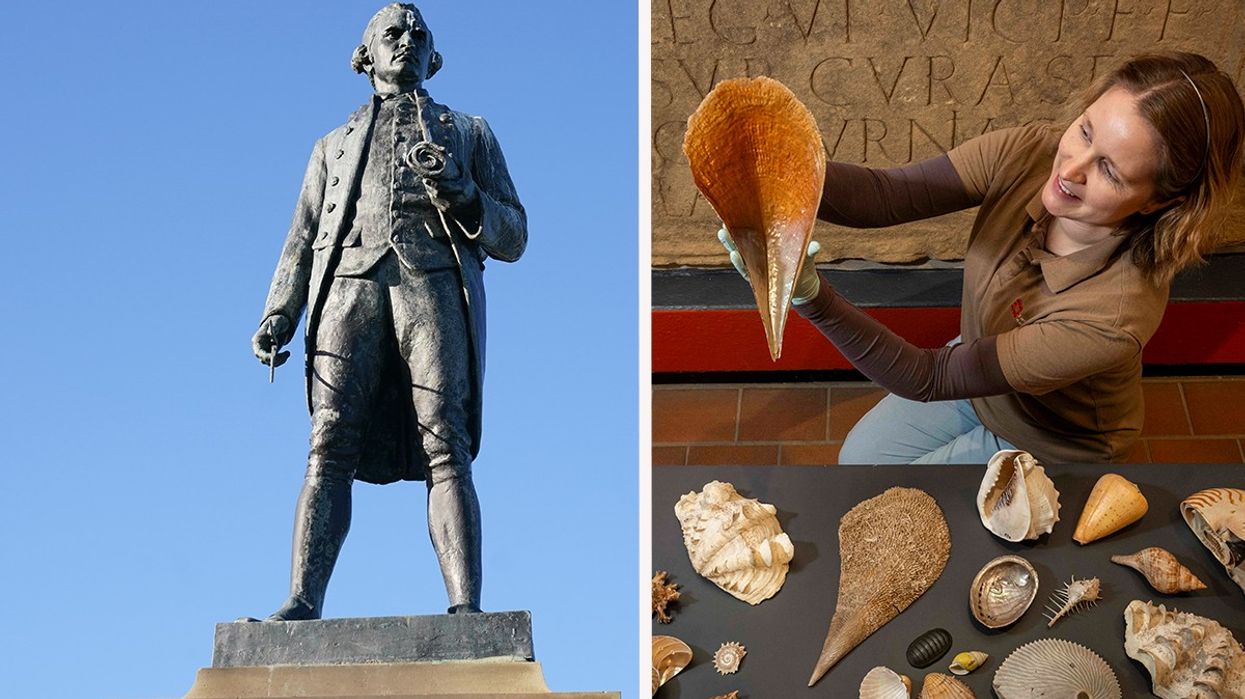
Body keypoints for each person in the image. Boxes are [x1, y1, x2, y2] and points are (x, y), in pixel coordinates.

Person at [721, 52, 1243, 464]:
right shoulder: (1032, 151)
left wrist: (810, 295)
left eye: (1110, 170)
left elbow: (928, 376)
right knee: (860, 460)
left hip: (1049, 437)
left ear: (1161, 201)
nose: (1070, 169)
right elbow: (886, 195)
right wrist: (776, 167)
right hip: (979, 363)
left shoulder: (1114, 317)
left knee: (915, 513)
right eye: (1085, 130)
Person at [250, 3, 526, 620]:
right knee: (327, 445)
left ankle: (466, 610)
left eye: (418, 34)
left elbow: (514, 235)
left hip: (432, 290)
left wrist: (463, 192)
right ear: (365, 55)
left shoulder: (468, 132)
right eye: (392, 33)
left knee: (445, 443)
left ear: (435, 57)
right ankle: (301, 600)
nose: (407, 40)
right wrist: (278, 314)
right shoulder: (331, 146)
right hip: (346, 292)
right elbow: (300, 237)